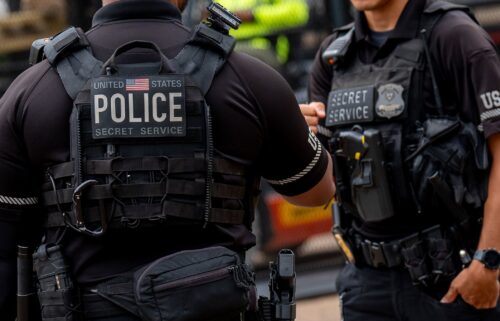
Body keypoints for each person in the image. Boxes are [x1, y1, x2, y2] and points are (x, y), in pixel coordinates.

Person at [0, 0, 335, 320]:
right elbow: (317, 191)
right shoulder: (252, 81)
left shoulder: (30, 93)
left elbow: (8, 249)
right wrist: (285, 126)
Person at [301, 0, 500, 320]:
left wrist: (487, 261)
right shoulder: (333, 56)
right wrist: (297, 138)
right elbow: (325, 189)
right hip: (367, 286)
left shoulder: (456, 37)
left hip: (451, 284)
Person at [215, 0, 310, 70]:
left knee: (229, 61)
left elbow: (298, 12)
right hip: (225, 45)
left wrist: (255, 15)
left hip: (264, 46)